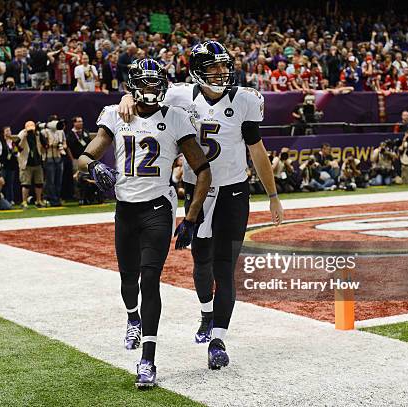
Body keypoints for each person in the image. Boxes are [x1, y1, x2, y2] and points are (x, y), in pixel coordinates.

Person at [119, 40, 283, 371]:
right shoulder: (180, 95)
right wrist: (125, 97)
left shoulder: (244, 100)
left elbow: (257, 151)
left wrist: (273, 194)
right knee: (201, 262)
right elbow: (142, 95)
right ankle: (207, 313)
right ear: (197, 71)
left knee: (225, 267)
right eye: (214, 67)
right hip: (198, 192)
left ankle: (218, 339)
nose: (222, 72)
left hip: (234, 193)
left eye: (225, 66)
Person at [79, 59, 211, 388]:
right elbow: (84, 157)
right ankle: (131, 317)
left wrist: (191, 217)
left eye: (157, 83)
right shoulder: (115, 114)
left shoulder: (174, 117)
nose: (153, 89)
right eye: (147, 84)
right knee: (128, 279)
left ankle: (148, 359)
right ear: (133, 86)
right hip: (125, 209)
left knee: (150, 279)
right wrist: (92, 168)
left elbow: (203, 169)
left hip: (158, 208)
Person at [15, 121, 45, 208]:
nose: (31, 131)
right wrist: (24, 137)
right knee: (25, 184)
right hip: (26, 162)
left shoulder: (38, 134)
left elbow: (44, 144)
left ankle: (38, 201)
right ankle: (24, 201)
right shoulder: (22, 134)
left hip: (37, 161)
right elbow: (17, 146)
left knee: (39, 182)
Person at [0, 126, 19, 204]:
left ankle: (10, 200)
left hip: (11, 165)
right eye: (7, 131)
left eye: (9, 131)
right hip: (2, 165)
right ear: (3, 133)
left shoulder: (13, 141)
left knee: (10, 183)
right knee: (1, 182)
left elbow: (16, 152)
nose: (9, 132)